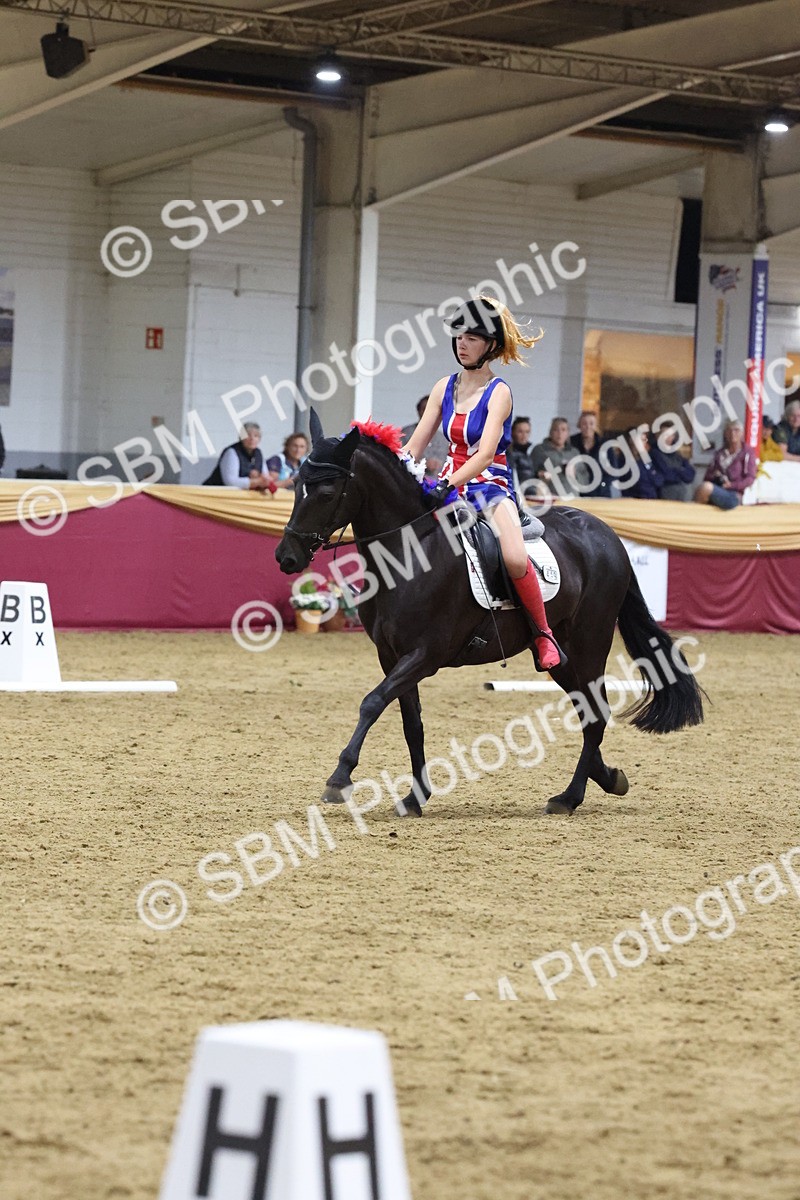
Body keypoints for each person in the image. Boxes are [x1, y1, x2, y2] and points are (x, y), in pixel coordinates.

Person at [401, 294, 563, 672]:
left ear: (490, 345)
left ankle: (542, 633)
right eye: (459, 335)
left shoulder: (500, 392)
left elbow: (486, 454)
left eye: (472, 337)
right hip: (446, 482)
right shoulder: (444, 387)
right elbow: (416, 443)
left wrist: (449, 483)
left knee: (512, 556)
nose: (462, 342)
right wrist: (395, 462)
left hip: (489, 485)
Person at [694, 420, 757, 509]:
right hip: (719, 489)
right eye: (729, 430)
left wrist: (732, 485)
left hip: (735, 494)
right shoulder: (719, 453)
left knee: (705, 488)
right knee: (701, 489)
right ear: (725, 434)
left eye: (736, 430)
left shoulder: (747, 452)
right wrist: (716, 475)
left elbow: (750, 478)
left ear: (742, 433)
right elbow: (707, 477)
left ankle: (695, 517)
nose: (732, 434)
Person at [203, 422, 275, 491]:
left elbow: (265, 476)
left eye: (256, 436)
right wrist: (256, 482)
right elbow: (230, 482)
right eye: (248, 435)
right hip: (215, 493)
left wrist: (263, 479)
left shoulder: (258, 453)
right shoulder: (232, 452)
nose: (252, 439)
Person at [529, 416, 587, 495]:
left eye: (563, 430)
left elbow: (585, 479)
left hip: (572, 498)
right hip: (549, 498)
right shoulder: (540, 450)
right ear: (550, 432)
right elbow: (529, 473)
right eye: (556, 430)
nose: (560, 433)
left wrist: (575, 474)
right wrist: (540, 475)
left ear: (568, 433)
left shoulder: (574, 452)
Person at [570, 411, 616, 498]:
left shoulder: (605, 445)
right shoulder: (572, 442)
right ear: (579, 425)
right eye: (584, 423)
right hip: (578, 493)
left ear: (596, 426)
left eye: (591, 423)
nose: (588, 427)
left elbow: (614, 470)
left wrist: (603, 484)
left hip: (601, 493)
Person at [401, 396, 449, 478]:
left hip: (436, 485)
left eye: (431, 410)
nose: (428, 413)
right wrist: (421, 463)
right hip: (411, 482)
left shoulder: (443, 438)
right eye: (424, 409)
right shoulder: (405, 433)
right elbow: (398, 459)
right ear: (418, 411)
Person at [648, 420, 696, 501]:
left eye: (670, 435)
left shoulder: (677, 455)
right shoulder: (653, 454)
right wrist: (681, 470)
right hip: (664, 493)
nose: (667, 438)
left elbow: (690, 475)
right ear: (657, 436)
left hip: (682, 492)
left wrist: (676, 471)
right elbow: (666, 475)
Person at [624, 428, 663, 499]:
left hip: (652, 499)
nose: (644, 443)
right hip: (634, 500)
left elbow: (658, 480)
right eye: (642, 440)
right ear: (632, 441)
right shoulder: (625, 460)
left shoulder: (647, 459)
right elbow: (639, 483)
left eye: (645, 440)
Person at [507, 416, 537, 487]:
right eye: (520, 431)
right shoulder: (509, 454)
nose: (524, 435)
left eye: (527, 432)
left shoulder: (528, 454)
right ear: (512, 432)